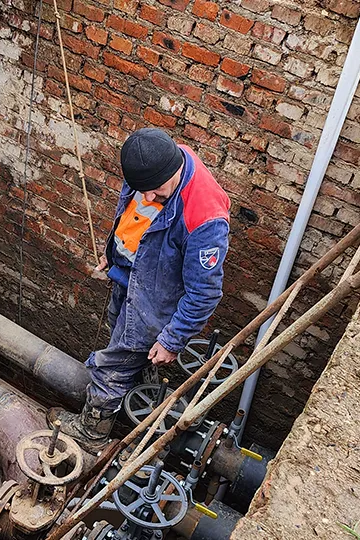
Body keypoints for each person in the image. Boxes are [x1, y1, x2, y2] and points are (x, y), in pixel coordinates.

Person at [49, 128, 230, 452]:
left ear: (174, 171)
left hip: (156, 304)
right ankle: (141, 404)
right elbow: (132, 218)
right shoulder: (153, 163)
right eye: (141, 190)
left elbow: (205, 293)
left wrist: (171, 339)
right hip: (130, 281)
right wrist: (115, 251)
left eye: (157, 192)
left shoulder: (205, 216)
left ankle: (92, 433)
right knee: (133, 356)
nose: (147, 198)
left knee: (114, 366)